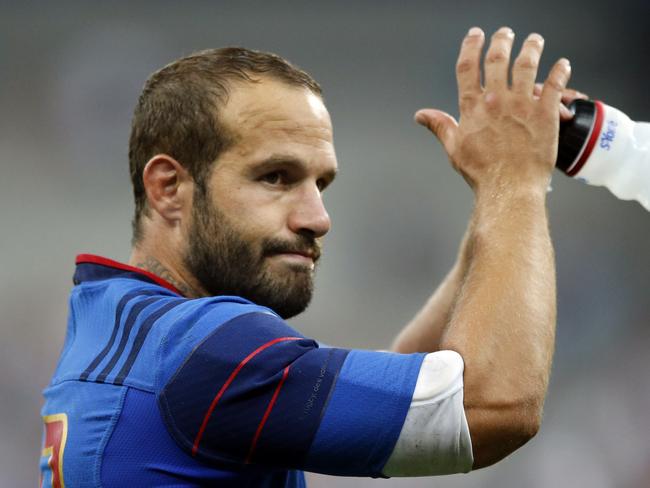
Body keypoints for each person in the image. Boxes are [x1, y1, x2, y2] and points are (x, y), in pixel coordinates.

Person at [40, 26, 583, 487]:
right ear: (167, 188)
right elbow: (490, 406)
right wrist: (515, 182)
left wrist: (494, 204)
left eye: (321, 182)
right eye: (275, 177)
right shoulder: (206, 351)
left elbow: (399, 384)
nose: (318, 218)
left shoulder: (108, 315)